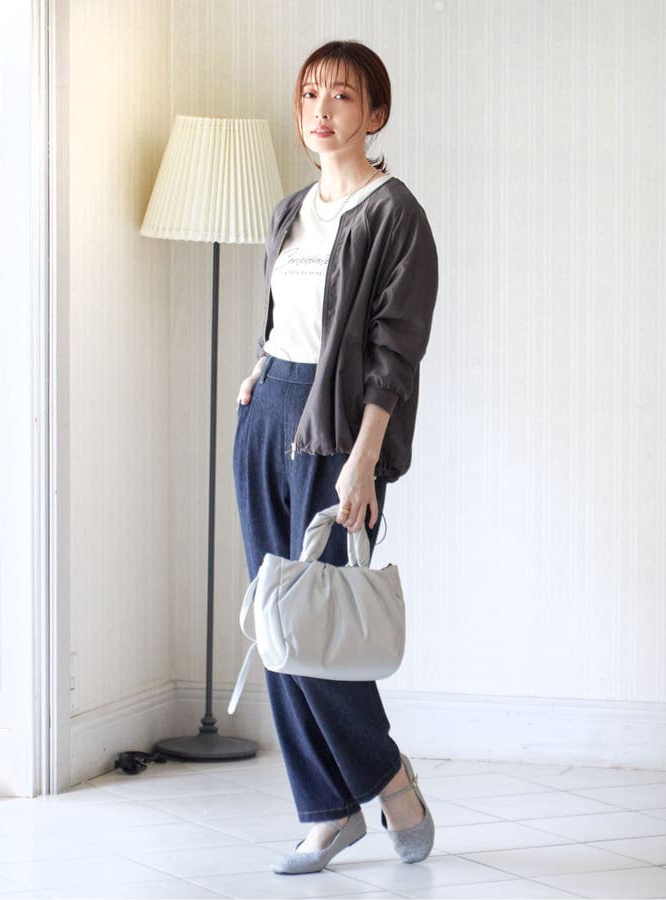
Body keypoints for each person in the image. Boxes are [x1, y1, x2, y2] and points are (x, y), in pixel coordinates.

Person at [232, 40, 439, 875]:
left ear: (375, 114)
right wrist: (259, 367)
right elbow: (285, 314)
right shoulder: (290, 209)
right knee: (277, 623)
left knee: (318, 625)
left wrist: (365, 459)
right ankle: (325, 811)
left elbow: (395, 350)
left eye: (343, 96)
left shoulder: (395, 214)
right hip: (267, 414)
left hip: (342, 427)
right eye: (310, 94)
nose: (321, 110)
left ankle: (388, 780)